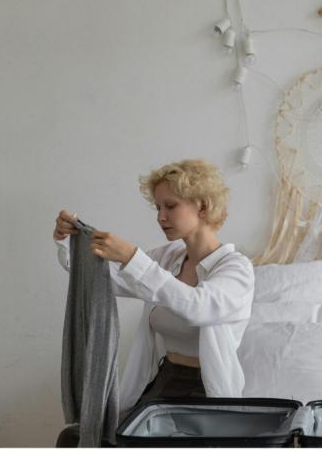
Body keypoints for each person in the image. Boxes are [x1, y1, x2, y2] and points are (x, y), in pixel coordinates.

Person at [53, 159, 254, 446]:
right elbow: (108, 278)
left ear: (203, 206)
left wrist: (132, 258)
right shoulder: (170, 257)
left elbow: (199, 307)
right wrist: (69, 243)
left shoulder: (236, 269)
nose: (160, 217)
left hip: (205, 394)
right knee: (75, 438)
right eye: (157, 207)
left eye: (170, 206)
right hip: (163, 383)